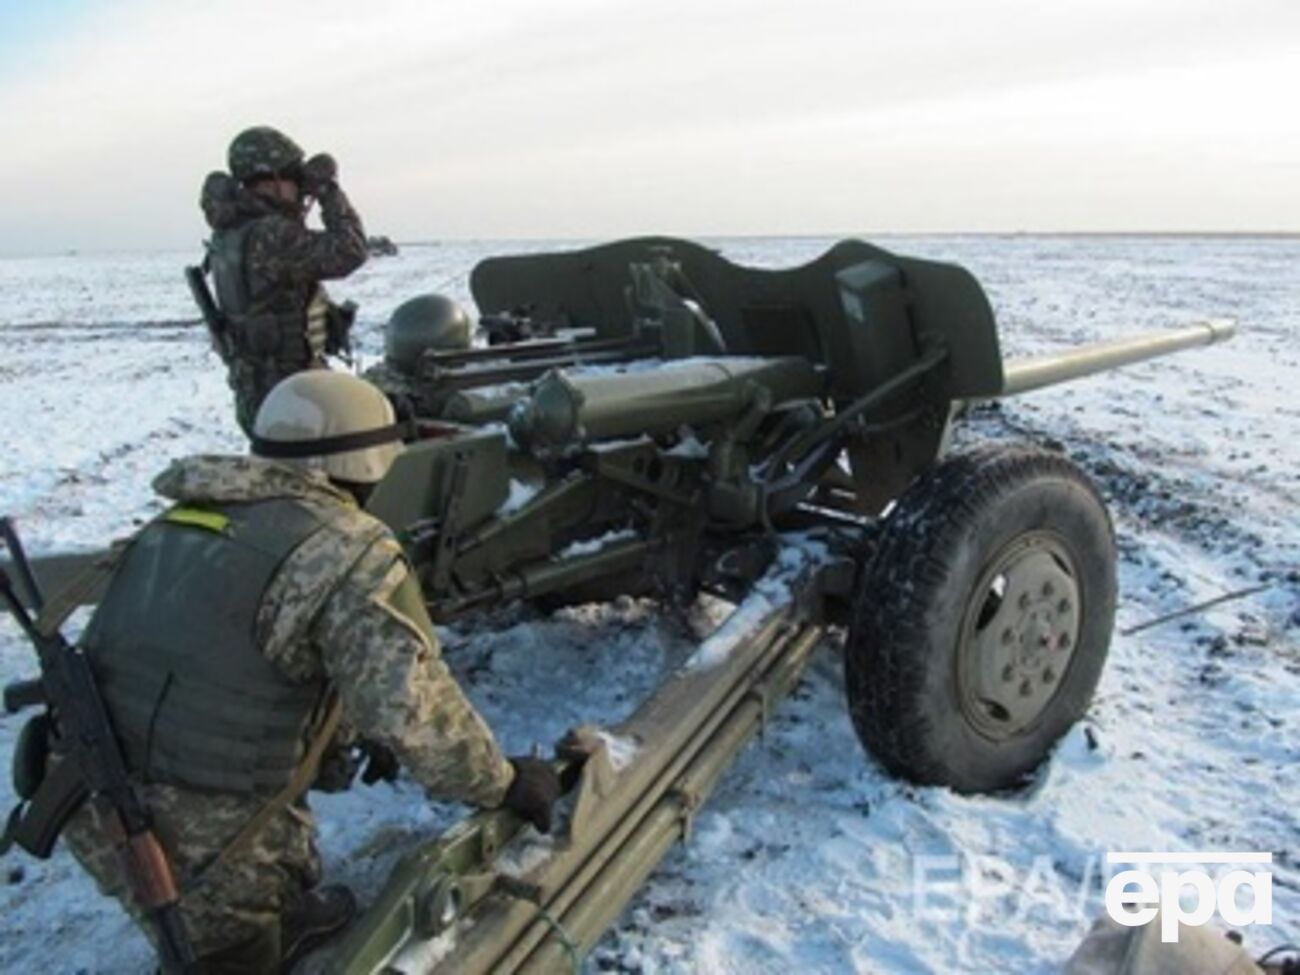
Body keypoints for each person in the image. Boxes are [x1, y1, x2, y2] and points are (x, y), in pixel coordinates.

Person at [59, 371, 561, 973]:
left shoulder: (181, 520)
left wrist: (342, 729)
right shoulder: (344, 547)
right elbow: (411, 710)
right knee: (233, 958)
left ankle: (264, 917)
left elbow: (235, 655)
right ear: (367, 463)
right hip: (194, 839)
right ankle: (242, 938)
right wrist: (504, 783)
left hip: (88, 801)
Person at [198, 125, 369, 436]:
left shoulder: (232, 232)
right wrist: (329, 191)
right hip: (293, 399)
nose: (300, 191)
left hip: (259, 393)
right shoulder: (271, 234)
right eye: (295, 179)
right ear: (275, 181)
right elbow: (350, 250)